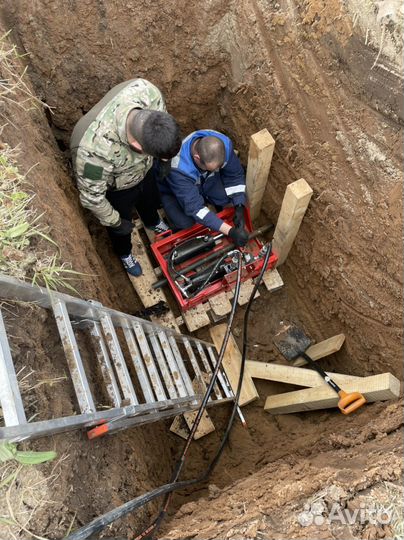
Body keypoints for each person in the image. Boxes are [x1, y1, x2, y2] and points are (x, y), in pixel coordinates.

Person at [70, 78, 181, 276]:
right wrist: (116, 222)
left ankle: (152, 221)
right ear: (138, 148)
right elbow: (92, 199)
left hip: (144, 172)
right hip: (118, 189)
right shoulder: (94, 152)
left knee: (149, 200)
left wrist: (163, 162)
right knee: (121, 231)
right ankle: (125, 253)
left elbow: (162, 127)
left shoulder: (149, 94)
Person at [158, 130, 249, 246]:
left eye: (219, 167)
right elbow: (195, 209)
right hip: (175, 191)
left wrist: (239, 206)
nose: (217, 171)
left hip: (204, 180)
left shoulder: (222, 145)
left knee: (225, 197)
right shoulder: (177, 167)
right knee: (185, 222)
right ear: (197, 158)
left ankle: (208, 199)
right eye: (212, 168)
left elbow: (235, 175)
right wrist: (230, 231)